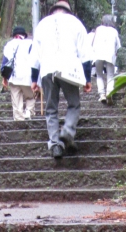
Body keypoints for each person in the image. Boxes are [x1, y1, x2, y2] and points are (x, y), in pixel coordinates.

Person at [29, 0, 92, 159]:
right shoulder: (76, 23)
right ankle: (68, 131)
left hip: (47, 70)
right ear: (68, 11)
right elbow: (85, 53)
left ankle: (55, 144)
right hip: (69, 69)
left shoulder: (42, 24)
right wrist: (87, 78)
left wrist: (33, 79)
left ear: (53, 10)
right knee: (73, 104)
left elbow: (35, 55)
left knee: (51, 108)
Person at [1, 26, 35, 121]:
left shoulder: (9, 45)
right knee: (30, 97)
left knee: (16, 101)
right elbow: (36, 61)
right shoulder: (30, 44)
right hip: (27, 77)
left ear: (14, 36)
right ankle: (28, 112)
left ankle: (19, 119)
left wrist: (4, 78)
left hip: (13, 77)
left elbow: (5, 63)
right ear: (24, 35)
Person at [92, 15, 120, 104]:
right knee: (110, 75)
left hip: (98, 54)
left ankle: (102, 95)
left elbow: (93, 43)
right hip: (110, 54)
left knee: (99, 75)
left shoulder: (98, 29)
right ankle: (109, 92)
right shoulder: (114, 31)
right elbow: (117, 45)